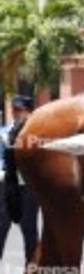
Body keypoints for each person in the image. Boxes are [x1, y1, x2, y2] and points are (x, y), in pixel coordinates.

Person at [0, 96, 40, 264]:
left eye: (19, 110)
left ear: (30, 112)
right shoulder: (4, 132)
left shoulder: (38, 134)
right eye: (14, 110)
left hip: (29, 186)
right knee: (1, 225)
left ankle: (31, 266)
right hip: (7, 185)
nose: (15, 113)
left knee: (29, 228)